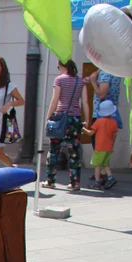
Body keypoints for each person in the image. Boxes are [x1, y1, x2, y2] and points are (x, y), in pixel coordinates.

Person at [45, 59, 88, 191]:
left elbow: (55, 100)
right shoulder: (80, 81)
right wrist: (86, 119)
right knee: (74, 151)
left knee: (54, 149)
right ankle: (75, 183)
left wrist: (48, 116)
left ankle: (50, 180)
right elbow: (85, 102)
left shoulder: (59, 80)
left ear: (61, 66)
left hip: (60, 118)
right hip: (75, 119)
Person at [86, 99, 119, 190]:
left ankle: (97, 182)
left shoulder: (99, 121)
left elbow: (90, 133)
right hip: (109, 147)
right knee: (105, 164)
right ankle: (110, 177)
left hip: (100, 147)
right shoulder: (114, 122)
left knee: (97, 165)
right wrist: (112, 144)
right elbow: (115, 135)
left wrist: (83, 129)